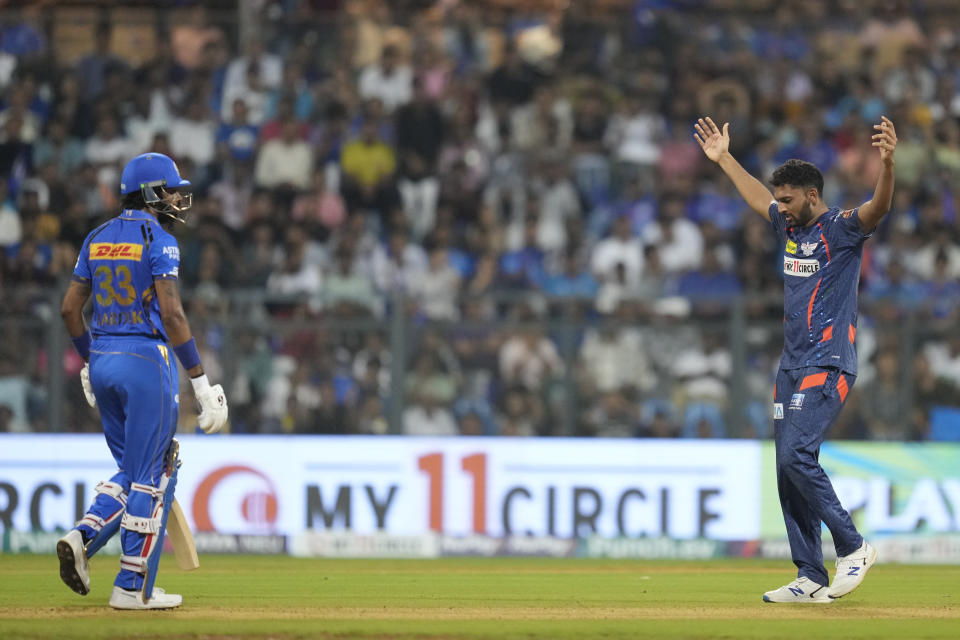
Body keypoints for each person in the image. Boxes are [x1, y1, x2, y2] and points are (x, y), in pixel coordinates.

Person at [695, 115, 897, 603]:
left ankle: (853, 547)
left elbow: (879, 207)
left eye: (787, 199)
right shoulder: (788, 227)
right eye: (778, 200)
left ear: (812, 194)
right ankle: (810, 574)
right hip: (790, 367)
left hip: (828, 363)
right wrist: (725, 159)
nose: (779, 208)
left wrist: (888, 163)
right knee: (785, 468)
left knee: (795, 455)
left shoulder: (841, 229)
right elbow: (754, 197)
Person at [57, 152, 228, 610]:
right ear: (152, 192)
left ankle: (83, 535)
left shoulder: (96, 237)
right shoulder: (160, 238)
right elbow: (171, 314)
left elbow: (70, 310)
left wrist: (89, 363)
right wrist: (200, 381)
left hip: (105, 356)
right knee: (153, 476)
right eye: (171, 190)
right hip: (145, 360)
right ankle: (131, 588)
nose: (176, 198)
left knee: (134, 473)